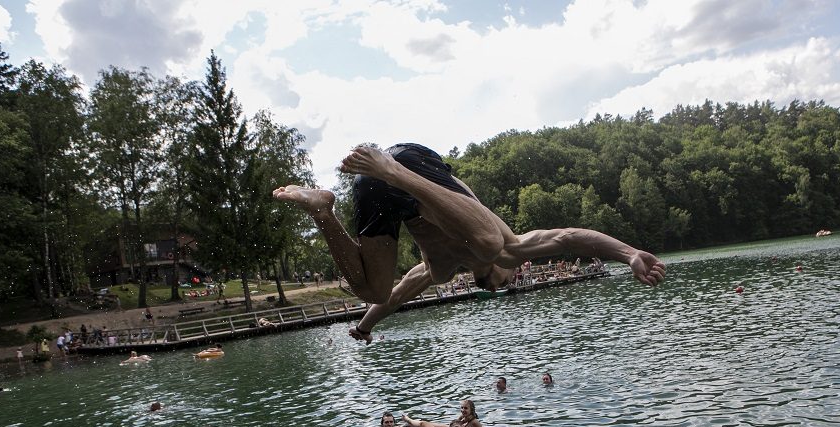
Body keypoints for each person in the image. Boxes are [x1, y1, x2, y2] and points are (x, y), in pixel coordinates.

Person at [273, 143, 666, 344]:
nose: (510, 283)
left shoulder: (437, 270)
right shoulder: (511, 249)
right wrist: (628, 253)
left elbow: (393, 296)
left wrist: (365, 325)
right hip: (405, 164)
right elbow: (566, 238)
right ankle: (394, 172)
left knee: (371, 289)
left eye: (505, 287)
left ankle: (321, 209)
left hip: (378, 189)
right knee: (495, 244)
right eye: (512, 281)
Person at [402, 399, 488, 427]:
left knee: (424, 424)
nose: (463, 410)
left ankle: (408, 419)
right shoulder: (463, 416)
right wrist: (460, 420)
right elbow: (453, 425)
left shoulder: (474, 422)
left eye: (465, 408)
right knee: (429, 423)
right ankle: (409, 424)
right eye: (461, 408)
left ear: (471, 410)